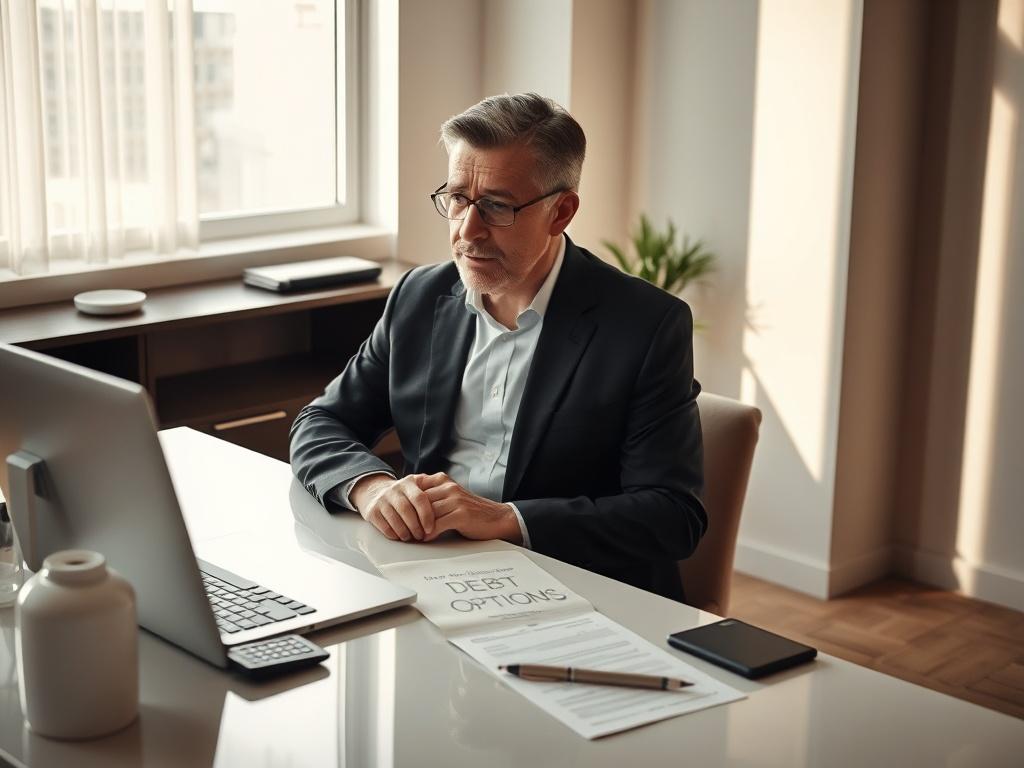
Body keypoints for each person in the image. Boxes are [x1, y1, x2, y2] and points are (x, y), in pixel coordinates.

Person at [290, 93, 705, 601]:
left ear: (562, 211)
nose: (468, 230)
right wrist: (372, 488)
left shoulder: (645, 325)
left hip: (578, 591)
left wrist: (507, 519)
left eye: (497, 206)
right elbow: (321, 422)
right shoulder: (419, 297)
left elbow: (671, 515)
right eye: (458, 198)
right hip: (430, 574)